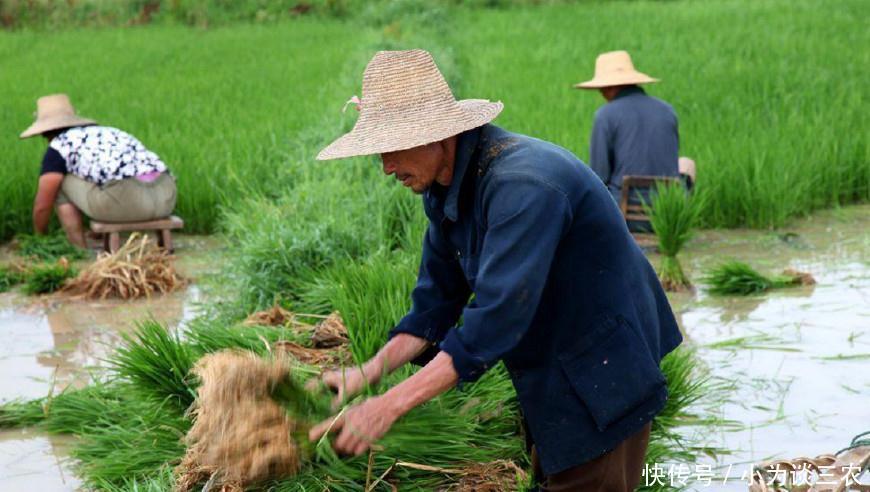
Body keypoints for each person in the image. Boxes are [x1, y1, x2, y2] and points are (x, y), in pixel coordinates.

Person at [308, 49, 682, 491]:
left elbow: (493, 323)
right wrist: (366, 373)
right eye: (379, 152)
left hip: (602, 364)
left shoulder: (522, 186)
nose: (387, 167)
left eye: (393, 148)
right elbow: (434, 305)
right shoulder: (446, 188)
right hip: (551, 356)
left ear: (436, 135)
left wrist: (386, 406)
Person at [19, 94, 177, 248]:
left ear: (45, 132)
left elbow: (43, 204)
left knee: (59, 184)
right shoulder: (109, 132)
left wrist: (39, 237)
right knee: (98, 177)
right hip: (166, 198)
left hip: (128, 203)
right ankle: (97, 235)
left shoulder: (59, 146)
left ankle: (78, 247)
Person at [575, 51, 695, 229]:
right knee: (687, 163)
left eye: (601, 89)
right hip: (666, 215)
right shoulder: (667, 110)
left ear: (610, 88)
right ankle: (677, 220)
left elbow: (599, 176)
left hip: (624, 216)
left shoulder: (605, 115)